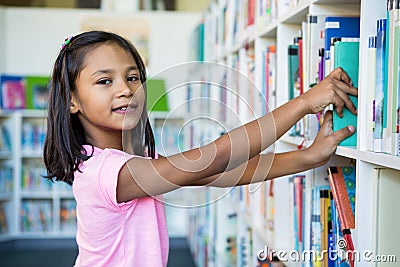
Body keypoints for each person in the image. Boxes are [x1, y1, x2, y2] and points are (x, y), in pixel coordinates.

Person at [43, 30, 357, 267]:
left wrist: (308, 156)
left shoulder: (134, 162)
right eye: (104, 82)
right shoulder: (107, 172)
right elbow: (217, 155)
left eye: (133, 77)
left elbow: (220, 172)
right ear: (72, 100)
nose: (126, 89)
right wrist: (304, 103)